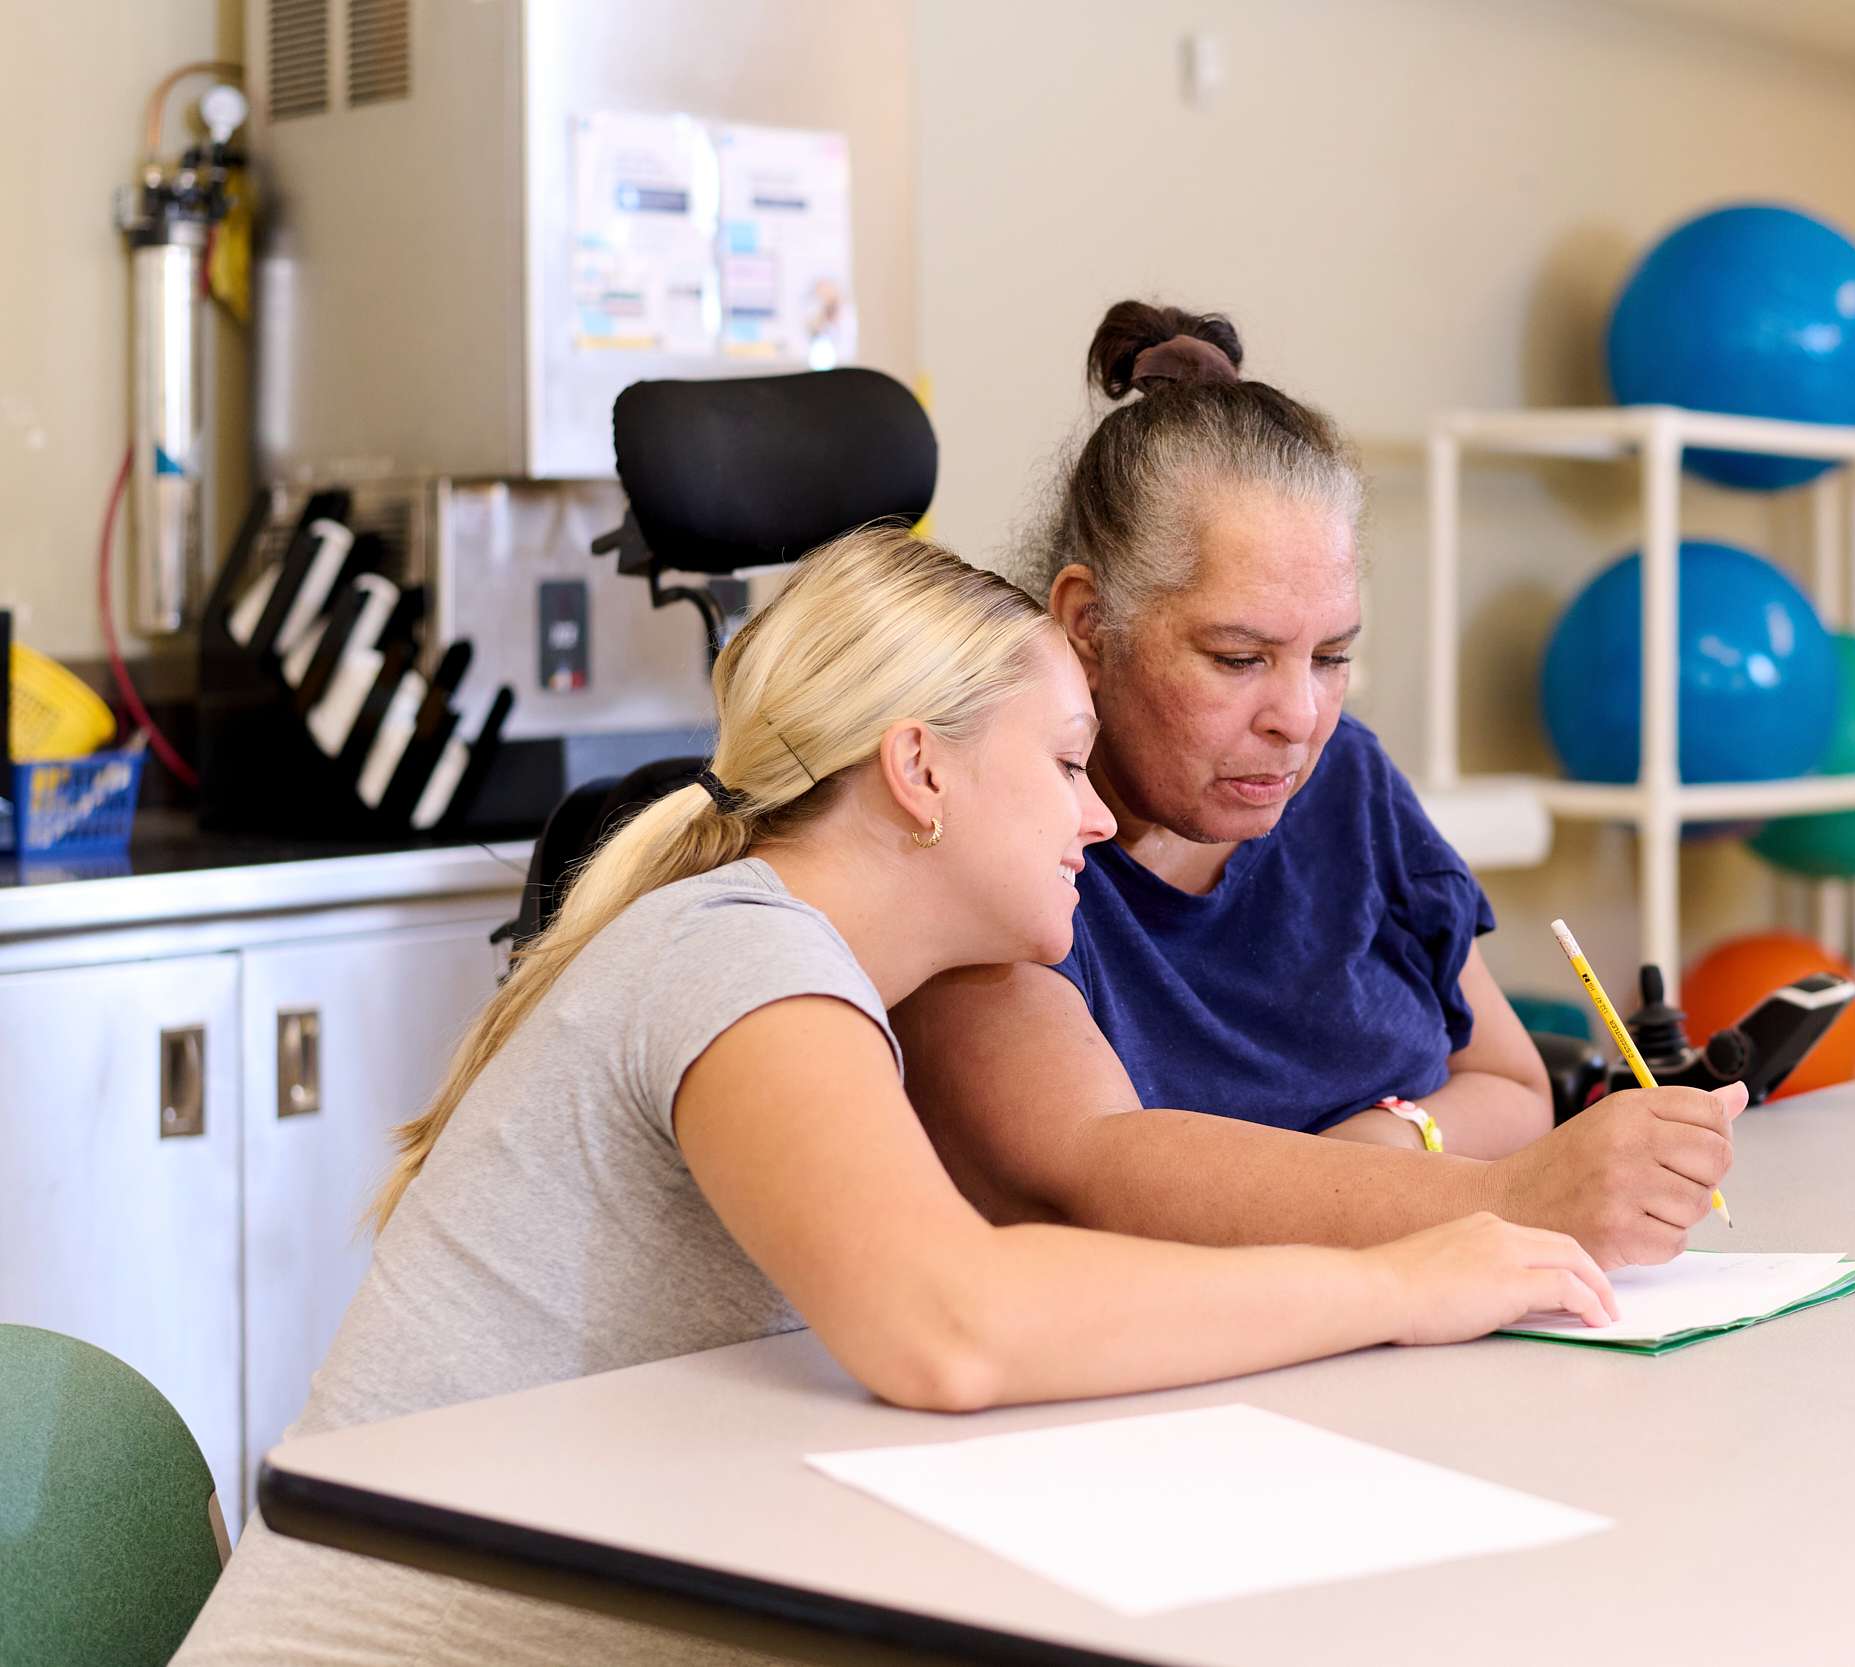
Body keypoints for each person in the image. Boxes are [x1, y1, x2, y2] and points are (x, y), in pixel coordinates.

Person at [175, 528, 1614, 1667]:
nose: (1098, 813)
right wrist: (1400, 1278)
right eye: (1062, 762)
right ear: (920, 768)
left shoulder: (808, 976)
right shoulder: (740, 957)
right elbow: (950, 1322)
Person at [897, 303, 1743, 1272]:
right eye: (1238, 656)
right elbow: (1093, 1173)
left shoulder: (1345, 781)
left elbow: (1512, 1082)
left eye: (1331, 655)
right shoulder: (998, 836)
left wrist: (1392, 1138)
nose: (1297, 716)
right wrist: (1505, 1190)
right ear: (1089, 624)